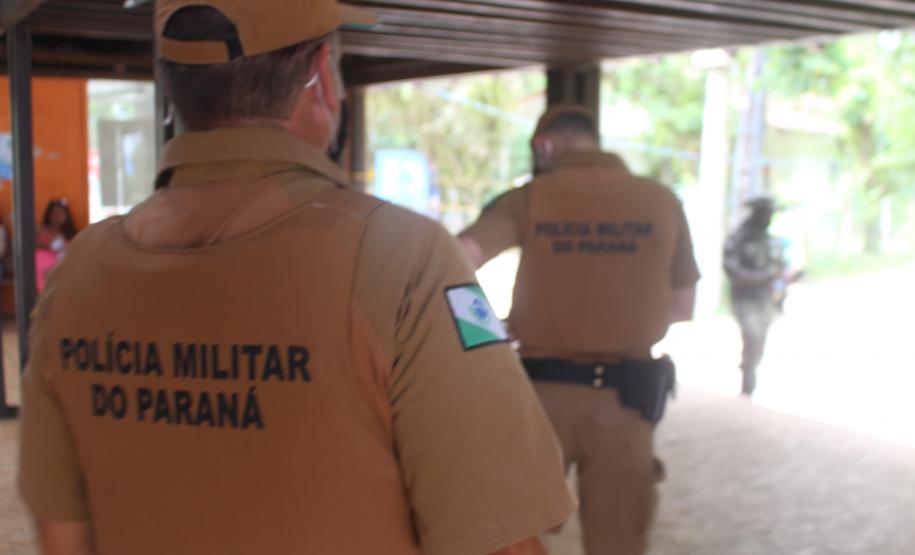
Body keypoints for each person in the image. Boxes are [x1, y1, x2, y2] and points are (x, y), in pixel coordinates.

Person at [17, 2, 576, 554]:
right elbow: (499, 541)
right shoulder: (401, 258)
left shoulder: (78, 274)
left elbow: (60, 532)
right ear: (321, 80)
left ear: (171, 87)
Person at [459, 105, 701, 555]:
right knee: (619, 540)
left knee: (514, 535)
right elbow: (683, 305)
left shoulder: (528, 198)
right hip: (626, 403)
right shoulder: (661, 200)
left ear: (544, 145)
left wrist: (485, 330)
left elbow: (457, 256)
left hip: (537, 401)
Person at [723, 196, 796, 396]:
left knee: (759, 341)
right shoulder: (738, 240)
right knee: (752, 337)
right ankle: (747, 384)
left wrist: (787, 279)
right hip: (745, 299)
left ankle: (749, 375)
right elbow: (734, 272)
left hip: (766, 301)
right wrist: (765, 278)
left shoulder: (772, 242)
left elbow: (781, 270)